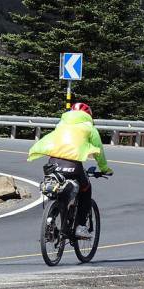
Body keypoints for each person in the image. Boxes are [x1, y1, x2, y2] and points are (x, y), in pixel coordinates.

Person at [27, 102, 113, 238]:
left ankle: (51, 219)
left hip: (53, 163)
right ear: (88, 115)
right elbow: (99, 151)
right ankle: (80, 226)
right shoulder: (89, 128)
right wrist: (104, 168)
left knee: (56, 187)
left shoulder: (61, 125)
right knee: (85, 189)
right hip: (73, 164)